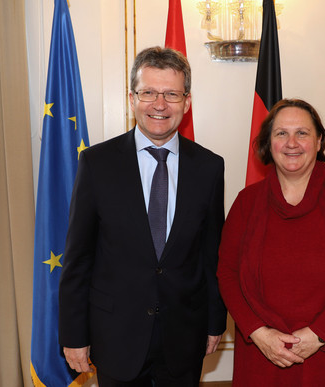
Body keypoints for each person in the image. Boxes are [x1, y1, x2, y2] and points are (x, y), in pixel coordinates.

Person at [59, 46, 227, 386]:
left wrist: (214, 323)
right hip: (116, 336)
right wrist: (74, 334)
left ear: (187, 102)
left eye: (171, 94)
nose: (160, 104)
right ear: (132, 99)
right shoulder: (97, 164)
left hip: (184, 336)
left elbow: (212, 255)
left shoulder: (210, 167)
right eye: (148, 92)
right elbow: (78, 258)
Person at [217, 98, 325, 386]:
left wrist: (319, 334)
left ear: (319, 141)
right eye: (281, 133)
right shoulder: (247, 202)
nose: (291, 142)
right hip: (262, 353)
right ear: (268, 143)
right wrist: (258, 332)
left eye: (302, 133)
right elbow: (227, 273)